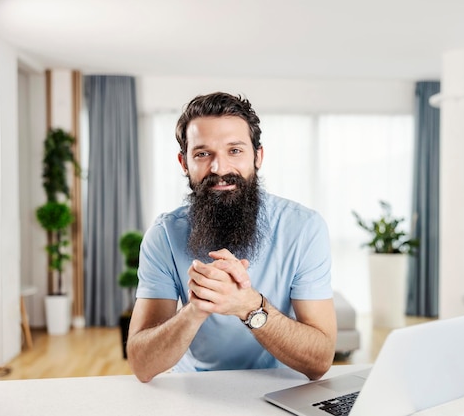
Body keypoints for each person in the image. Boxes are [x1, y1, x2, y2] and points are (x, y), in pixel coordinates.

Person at [127, 92, 337, 383]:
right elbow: (142, 364)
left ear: (258, 156)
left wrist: (248, 306)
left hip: (281, 387)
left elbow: (320, 361)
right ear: (184, 163)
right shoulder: (163, 235)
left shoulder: (304, 228)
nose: (220, 168)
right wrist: (198, 307)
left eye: (235, 151)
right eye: (202, 154)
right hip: (194, 389)